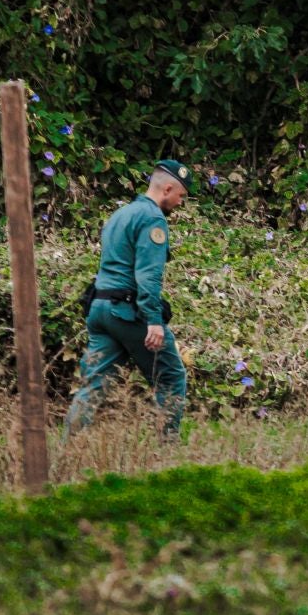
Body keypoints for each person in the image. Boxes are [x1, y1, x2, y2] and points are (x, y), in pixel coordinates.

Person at [65, 159, 193, 438]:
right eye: (181, 196)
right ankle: (167, 451)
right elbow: (148, 276)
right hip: (125, 311)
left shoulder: (121, 214)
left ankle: (67, 448)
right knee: (171, 377)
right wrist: (154, 321)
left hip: (99, 309)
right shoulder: (152, 218)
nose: (181, 203)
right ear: (167, 188)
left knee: (93, 385)